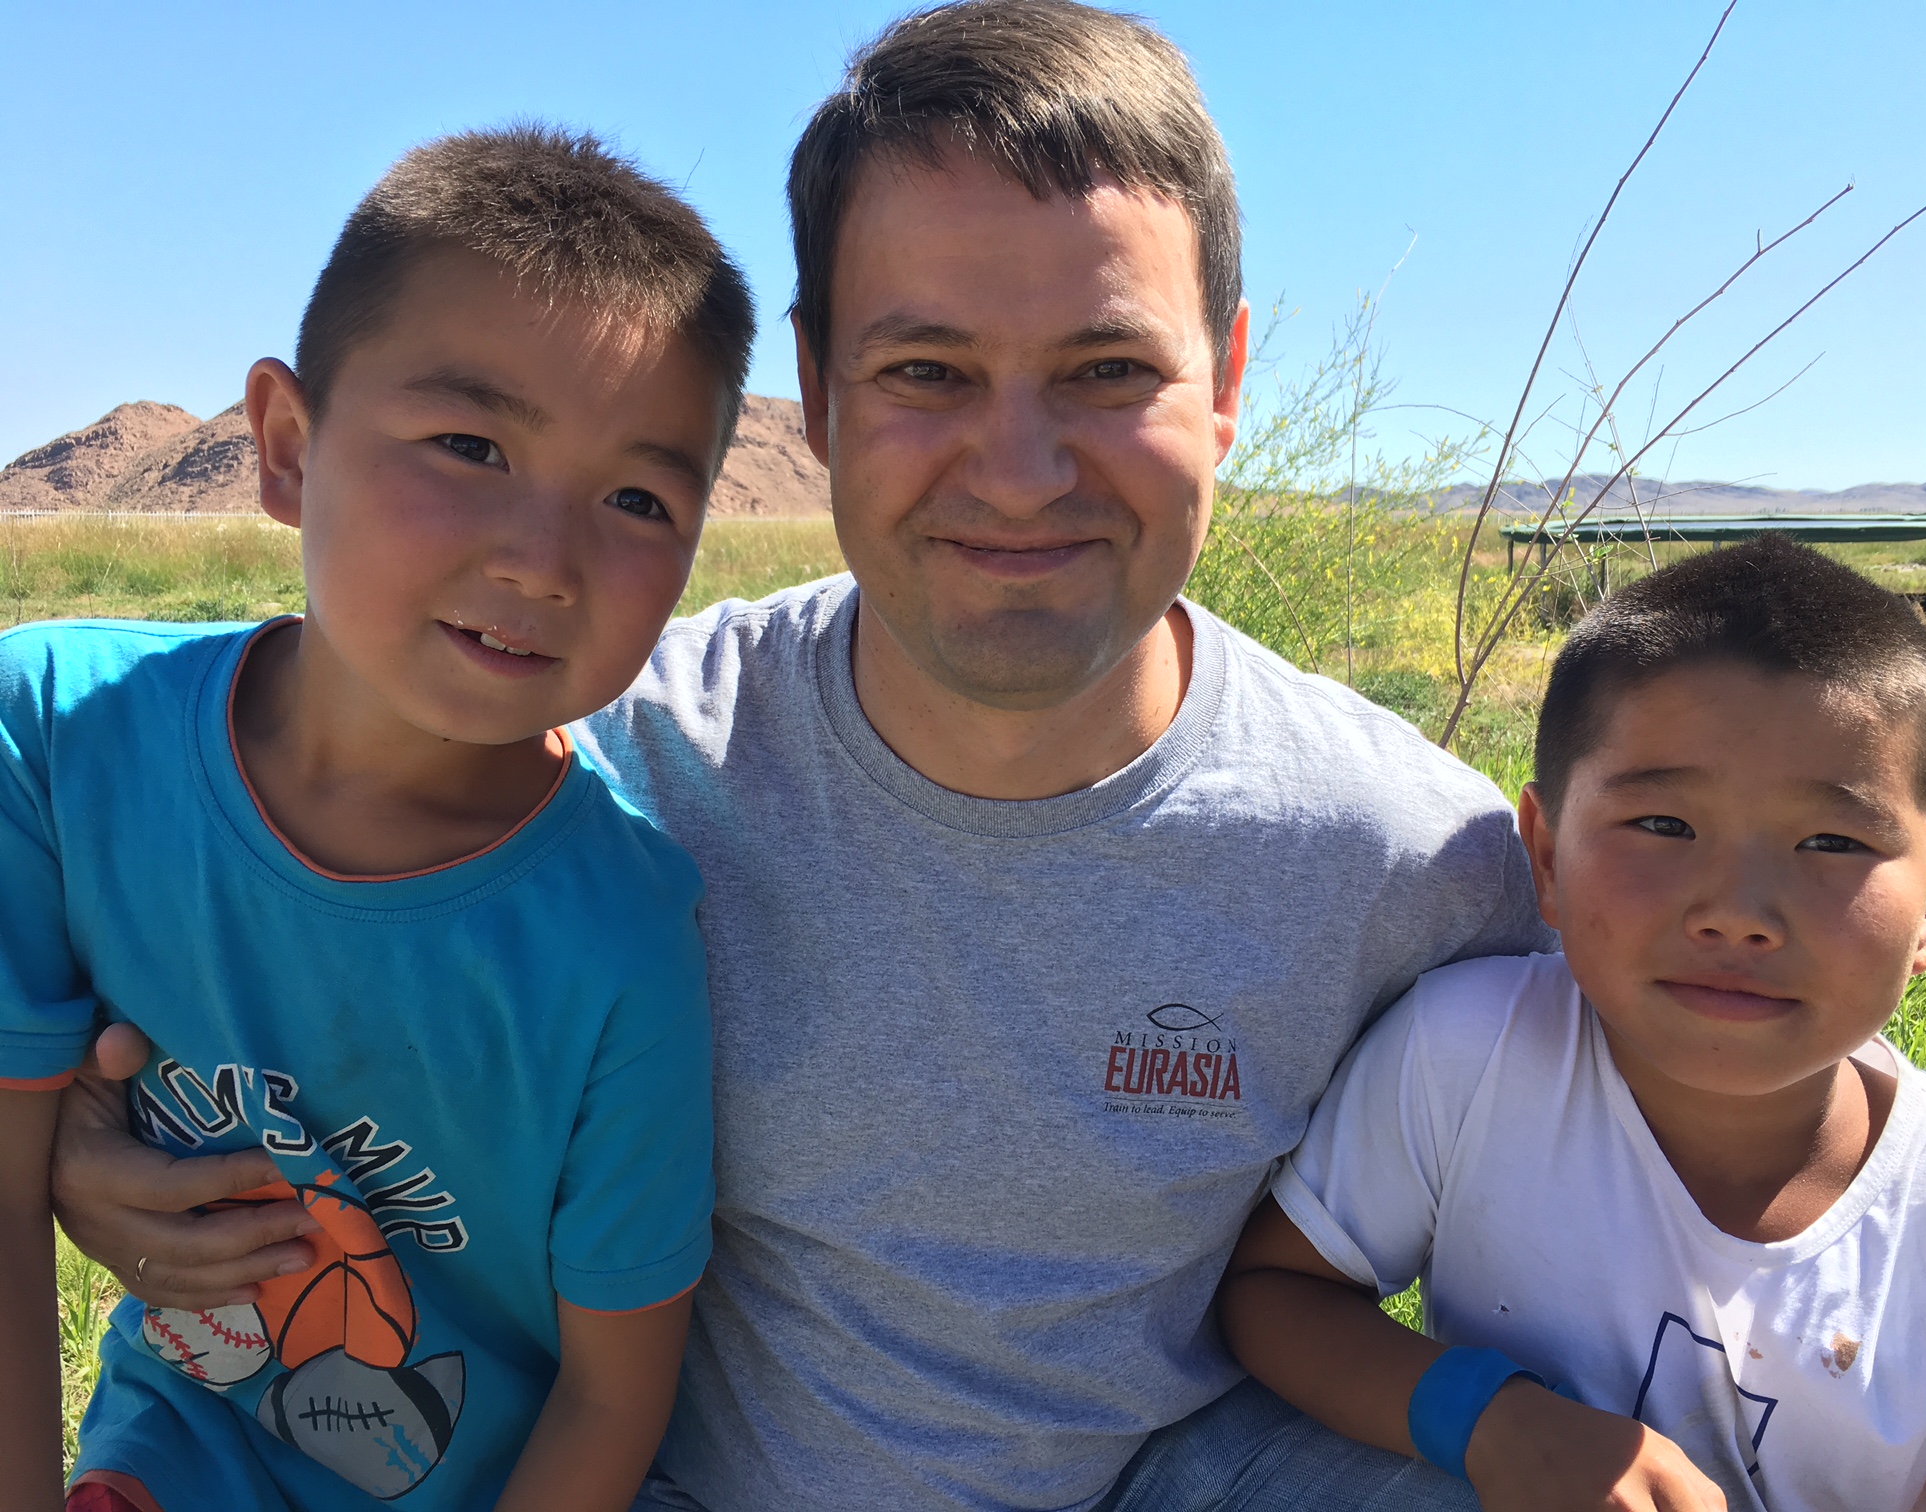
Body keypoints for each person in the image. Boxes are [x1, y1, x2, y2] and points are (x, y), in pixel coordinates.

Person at [52, 5, 1552, 1509]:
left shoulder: (1415, 859)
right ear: (820, 395)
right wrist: (78, 1156)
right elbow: (280, 849)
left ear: (1224, 381)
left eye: (1106, 371)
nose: (1021, 473)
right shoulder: (606, 769)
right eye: (928, 373)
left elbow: (1701, 1157)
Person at [0, 127, 754, 1512]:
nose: (544, 560)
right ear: (287, 448)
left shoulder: (626, 937)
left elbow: (610, 1394)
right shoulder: (51, 734)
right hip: (180, 1454)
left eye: (638, 499)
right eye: (470, 445)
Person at [1220, 538, 1926, 1512]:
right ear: (1546, 859)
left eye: (1831, 841)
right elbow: (1274, 1296)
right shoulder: (1468, 1058)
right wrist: (1491, 1421)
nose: (1737, 910)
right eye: (1665, 827)